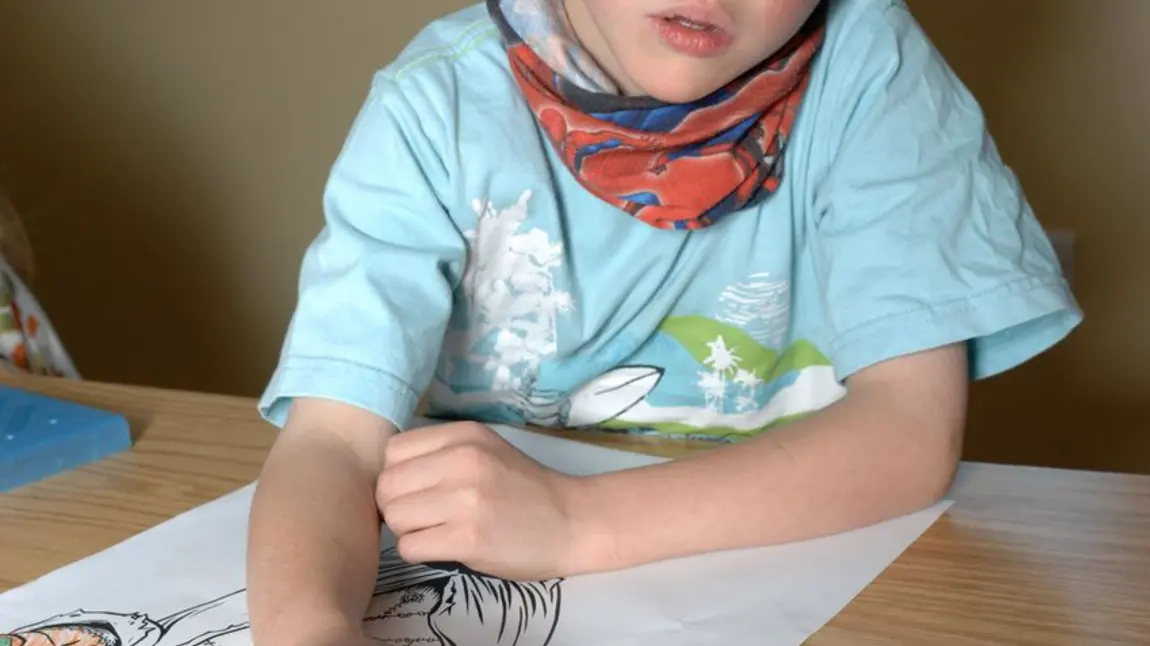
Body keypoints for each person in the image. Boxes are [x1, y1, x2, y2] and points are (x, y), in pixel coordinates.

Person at [245, 0, 1082, 644]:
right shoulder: (432, 108)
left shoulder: (875, 71)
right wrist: (309, 629)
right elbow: (330, 443)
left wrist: (576, 525)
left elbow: (910, 434)